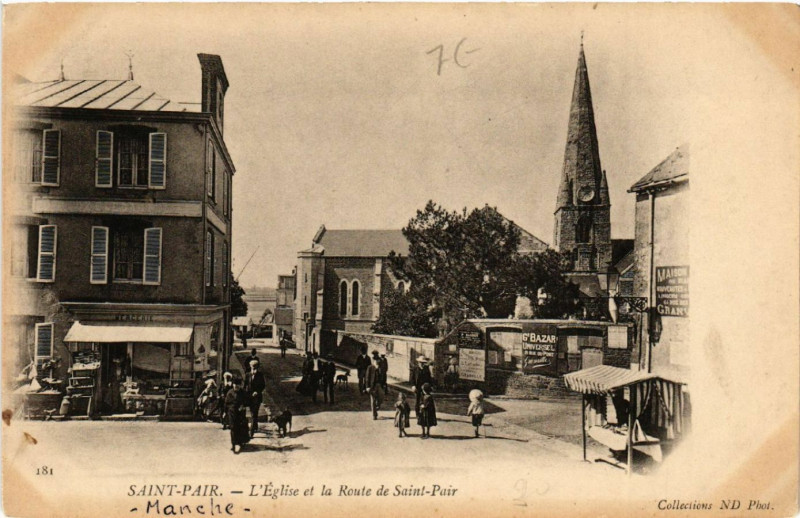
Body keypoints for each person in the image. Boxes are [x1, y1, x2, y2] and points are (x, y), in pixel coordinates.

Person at [225, 376, 250, 454]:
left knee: (240, 428)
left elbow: (247, 401)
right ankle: (233, 445)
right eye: (235, 384)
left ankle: (240, 443)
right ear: (233, 385)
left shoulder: (243, 393)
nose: (236, 386)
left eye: (238, 385)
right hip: (232, 413)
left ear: (240, 385)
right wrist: (224, 412)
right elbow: (226, 403)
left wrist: (243, 406)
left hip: (240, 414)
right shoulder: (230, 392)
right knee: (233, 428)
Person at [244, 360, 266, 437]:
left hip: (257, 398)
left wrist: (257, 391)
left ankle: (251, 432)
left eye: (255, 367)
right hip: (249, 397)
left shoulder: (260, 375)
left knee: (254, 413)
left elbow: (263, 385)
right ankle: (255, 425)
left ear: (257, 367)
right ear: (250, 367)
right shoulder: (247, 375)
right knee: (253, 413)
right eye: (252, 367)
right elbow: (245, 385)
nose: (253, 369)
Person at [365, 355, 384, 420]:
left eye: (377, 360)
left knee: (381, 397)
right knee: (373, 400)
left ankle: (377, 407)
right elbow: (367, 378)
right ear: (373, 361)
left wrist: (383, 385)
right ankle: (374, 415)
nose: (376, 361)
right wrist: (367, 387)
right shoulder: (370, 367)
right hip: (372, 386)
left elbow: (383, 377)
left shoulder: (380, 368)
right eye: (375, 360)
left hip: (378, 385)